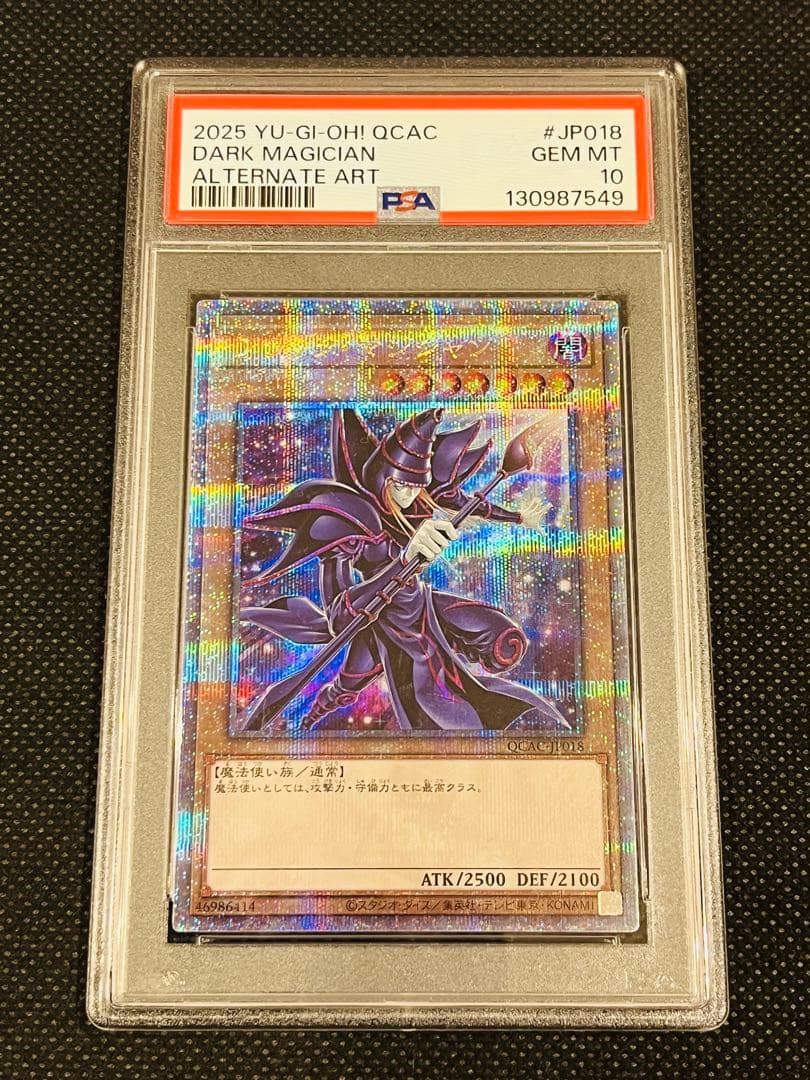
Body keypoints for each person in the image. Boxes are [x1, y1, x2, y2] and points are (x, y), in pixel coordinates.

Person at [241, 407, 565, 732]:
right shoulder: (348, 522)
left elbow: (466, 503)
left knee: (502, 637)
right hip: (380, 623)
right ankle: (309, 721)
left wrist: (517, 518)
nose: (410, 495)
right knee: (349, 686)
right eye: (401, 486)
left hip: (419, 604)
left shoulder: (417, 499)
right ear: (383, 478)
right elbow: (339, 616)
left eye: (416, 486)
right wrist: (405, 560)